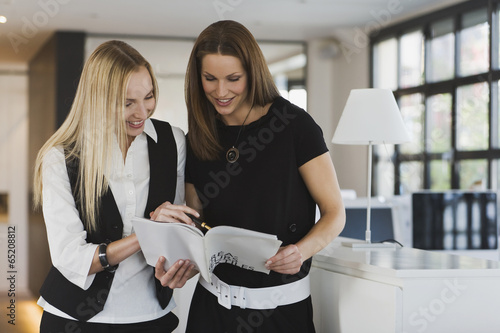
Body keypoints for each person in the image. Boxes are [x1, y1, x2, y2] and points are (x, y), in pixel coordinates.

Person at [155, 20, 346, 332]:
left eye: (233, 78)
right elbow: (197, 223)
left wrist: (302, 251)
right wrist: (181, 261)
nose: (221, 91)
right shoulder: (199, 136)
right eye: (209, 79)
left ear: (253, 73)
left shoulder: (295, 126)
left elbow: (335, 212)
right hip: (211, 311)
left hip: (282, 314)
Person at [33, 40, 199, 333]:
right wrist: (148, 229)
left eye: (149, 97)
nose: (142, 112)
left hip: (150, 316)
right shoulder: (62, 155)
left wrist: (182, 263)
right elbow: (71, 257)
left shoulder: (172, 141)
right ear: (98, 98)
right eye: (127, 103)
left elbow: (175, 230)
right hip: (74, 320)